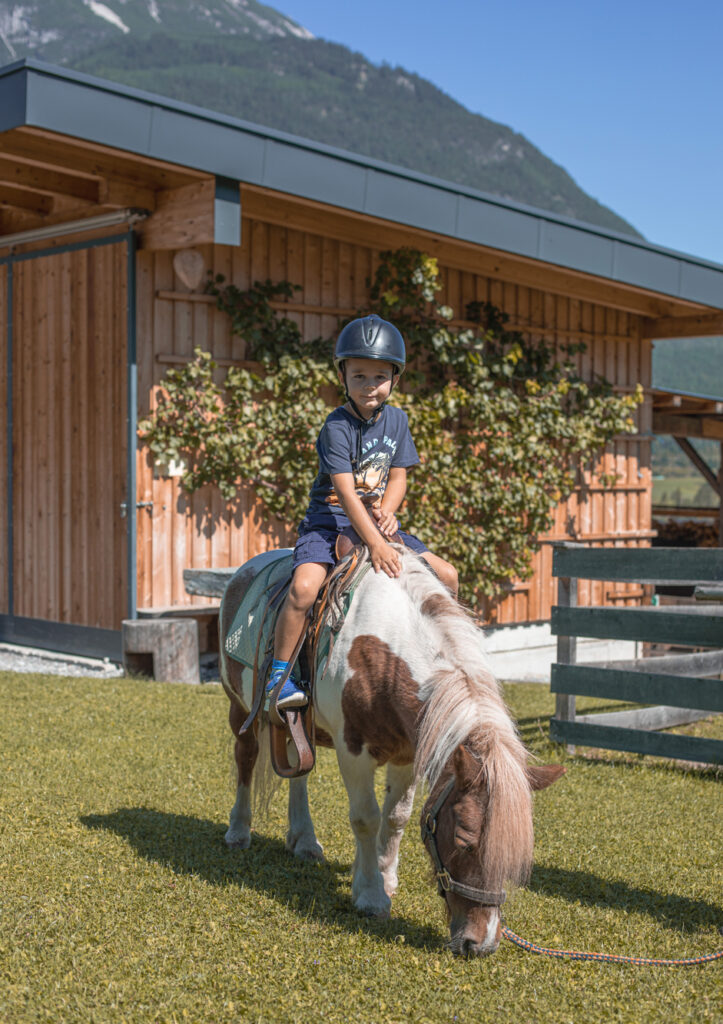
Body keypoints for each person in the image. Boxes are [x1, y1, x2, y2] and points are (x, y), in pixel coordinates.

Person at [267, 314, 458, 709]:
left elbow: (399, 477)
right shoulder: (335, 427)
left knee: (448, 575)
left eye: (378, 377)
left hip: (374, 522)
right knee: (303, 590)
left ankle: (445, 659)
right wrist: (378, 545)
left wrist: (387, 512)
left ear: (394, 378)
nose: (369, 386)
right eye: (359, 376)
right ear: (343, 377)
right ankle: (279, 675)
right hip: (329, 520)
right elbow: (345, 492)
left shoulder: (398, 420)